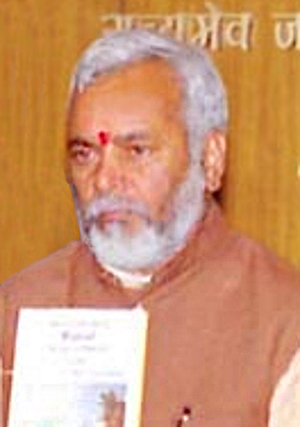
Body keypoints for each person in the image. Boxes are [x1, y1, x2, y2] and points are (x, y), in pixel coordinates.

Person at [1, 29, 300, 427]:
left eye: (136, 151)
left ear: (209, 160)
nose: (104, 180)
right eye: (84, 152)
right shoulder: (17, 309)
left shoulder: (282, 322)